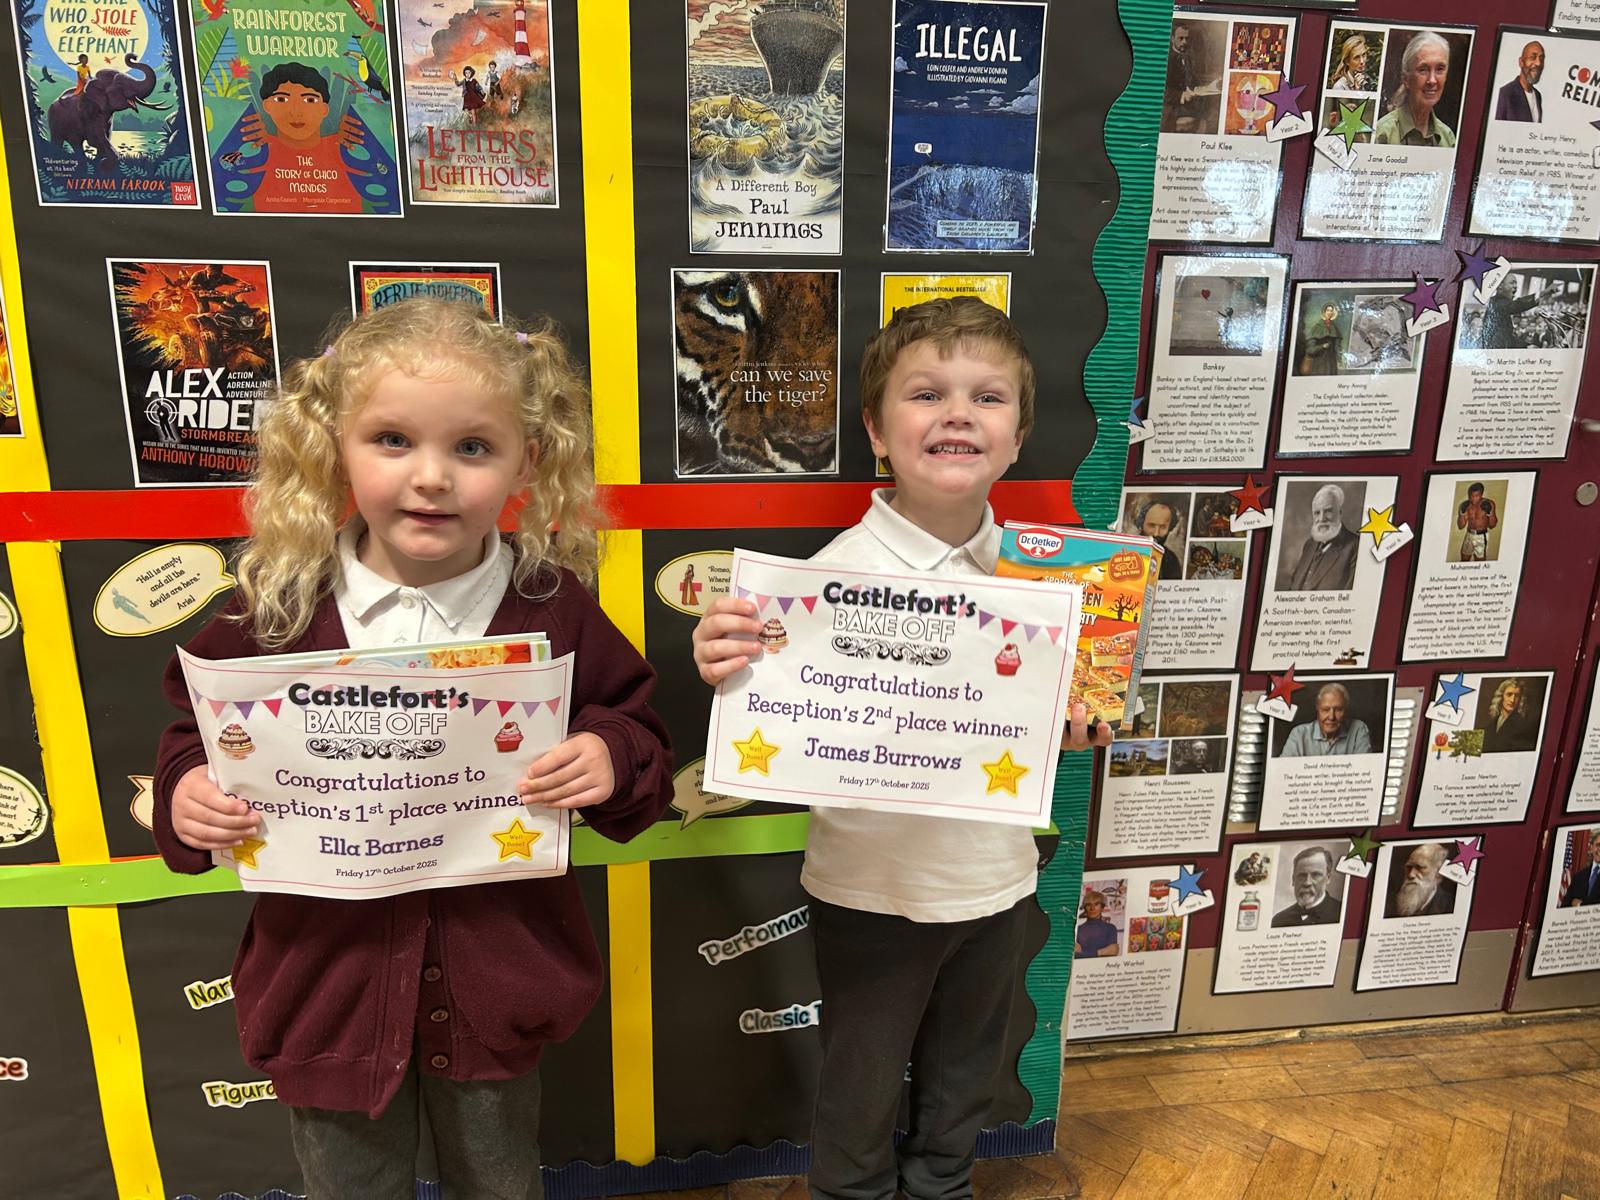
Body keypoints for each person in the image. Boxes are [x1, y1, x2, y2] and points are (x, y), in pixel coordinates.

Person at [149, 299, 674, 1197]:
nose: (431, 478)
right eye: (392, 440)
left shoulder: (552, 606)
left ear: (527, 461)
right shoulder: (276, 609)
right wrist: (186, 794)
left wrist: (608, 754)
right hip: (327, 991)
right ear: (335, 448)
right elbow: (187, 741)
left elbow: (638, 735)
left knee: (497, 1180)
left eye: (472, 447)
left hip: (496, 988)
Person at [692, 298, 1108, 1200]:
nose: (958, 413)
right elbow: (773, 702)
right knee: (861, 1084)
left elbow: (1048, 724)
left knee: (966, 1079)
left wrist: (1077, 726)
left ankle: (943, 1187)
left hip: (997, 882)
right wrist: (727, 659)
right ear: (877, 432)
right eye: (927, 394)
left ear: (1017, 436)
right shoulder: (821, 583)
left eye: (987, 398)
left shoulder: (1051, 587)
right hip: (870, 891)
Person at [238, 63, 367, 214]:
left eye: (310, 100)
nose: (296, 112)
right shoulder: (257, 149)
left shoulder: (347, 148)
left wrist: (366, 138)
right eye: (281, 99)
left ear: (325, 109)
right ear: (267, 106)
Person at [1373, 31, 1456, 147]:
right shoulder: (1382, 134)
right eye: (1423, 69)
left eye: (1440, 69)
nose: (1432, 80)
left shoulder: (1447, 137)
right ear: (1406, 79)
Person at [1284, 483, 1359, 591]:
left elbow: (1350, 597)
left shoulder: (1355, 547)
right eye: (1317, 513)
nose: (1322, 518)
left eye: (1328, 511)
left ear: (1340, 513)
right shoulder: (1309, 545)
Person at [1281, 682, 1373, 757]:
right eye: (1325, 710)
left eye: (1338, 710)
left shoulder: (1358, 730)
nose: (1331, 717)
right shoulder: (1298, 734)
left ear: (1345, 709)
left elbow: (1364, 769)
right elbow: (1283, 770)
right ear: (1317, 708)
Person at [1479, 275, 1559, 350]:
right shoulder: (1498, 302)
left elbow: (1508, 339)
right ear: (1500, 286)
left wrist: (1526, 346)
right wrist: (1543, 293)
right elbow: (1518, 304)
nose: (1515, 286)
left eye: (1516, 283)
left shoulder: (1498, 304)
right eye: (1512, 283)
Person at [1271, 846, 1342, 926]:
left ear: (1328, 878)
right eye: (1302, 876)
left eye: (1316, 875)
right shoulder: (1279, 920)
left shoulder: (1342, 913)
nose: (1307, 883)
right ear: (1293, 880)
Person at [1386, 843, 1456, 918]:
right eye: (1409, 867)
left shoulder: (1451, 905)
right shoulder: (1389, 903)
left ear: (1437, 873)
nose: (1411, 875)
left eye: (1420, 867)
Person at [1482, 676, 1539, 753]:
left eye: (1517, 696)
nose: (1512, 700)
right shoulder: (1491, 725)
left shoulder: (1523, 726)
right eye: (1509, 694)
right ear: (1501, 696)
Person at [1495, 41, 1545, 123]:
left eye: (1541, 59)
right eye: (1533, 57)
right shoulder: (1505, 93)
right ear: (1521, 62)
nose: (1538, 63)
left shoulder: (1537, 95)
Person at [1134, 498, 1182, 581]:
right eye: (1151, 525)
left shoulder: (1171, 560)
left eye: (1163, 527)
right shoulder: (1128, 552)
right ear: (1141, 524)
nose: (1156, 533)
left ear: (1170, 528)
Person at [1456, 482, 1499, 561]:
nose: (1473, 499)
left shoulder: (1489, 503)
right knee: (1464, 559)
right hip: (1469, 535)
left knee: (1480, 561)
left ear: (1481, 494)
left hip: (1481, 536)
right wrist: (1462, 514)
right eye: (1471, 496)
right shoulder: (1467, 505)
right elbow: (1461, 526)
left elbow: (1492, 525)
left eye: (1476, 496)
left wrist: (1490, 513)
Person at [1299, 302, 1343, 375]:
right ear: (1324, 312)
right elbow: (1310, 350)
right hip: (1319, 362)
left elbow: (1337, 347)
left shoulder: (1335, 328)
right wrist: (1322, 346)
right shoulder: (1317, 328)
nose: (1329, 312)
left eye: (1331, 311)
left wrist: (1339, 360)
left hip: (1331, 363)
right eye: (1328, 310)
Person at [1074, 890, 1119, 959]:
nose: (1092, 908)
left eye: (1096, 904)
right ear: (1085, 908)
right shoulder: (1078, 929)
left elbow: (1112, 952)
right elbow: (1075, 956)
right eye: (1088, 905)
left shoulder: (1110, 928)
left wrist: (1083, 952)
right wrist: (1101, 952)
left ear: (1102, 907)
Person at [1562, 833, 1600, 907]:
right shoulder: (1578, 876)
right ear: (1591, 847)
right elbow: (1565, 905)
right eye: (1598, 845)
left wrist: (1580, 904)